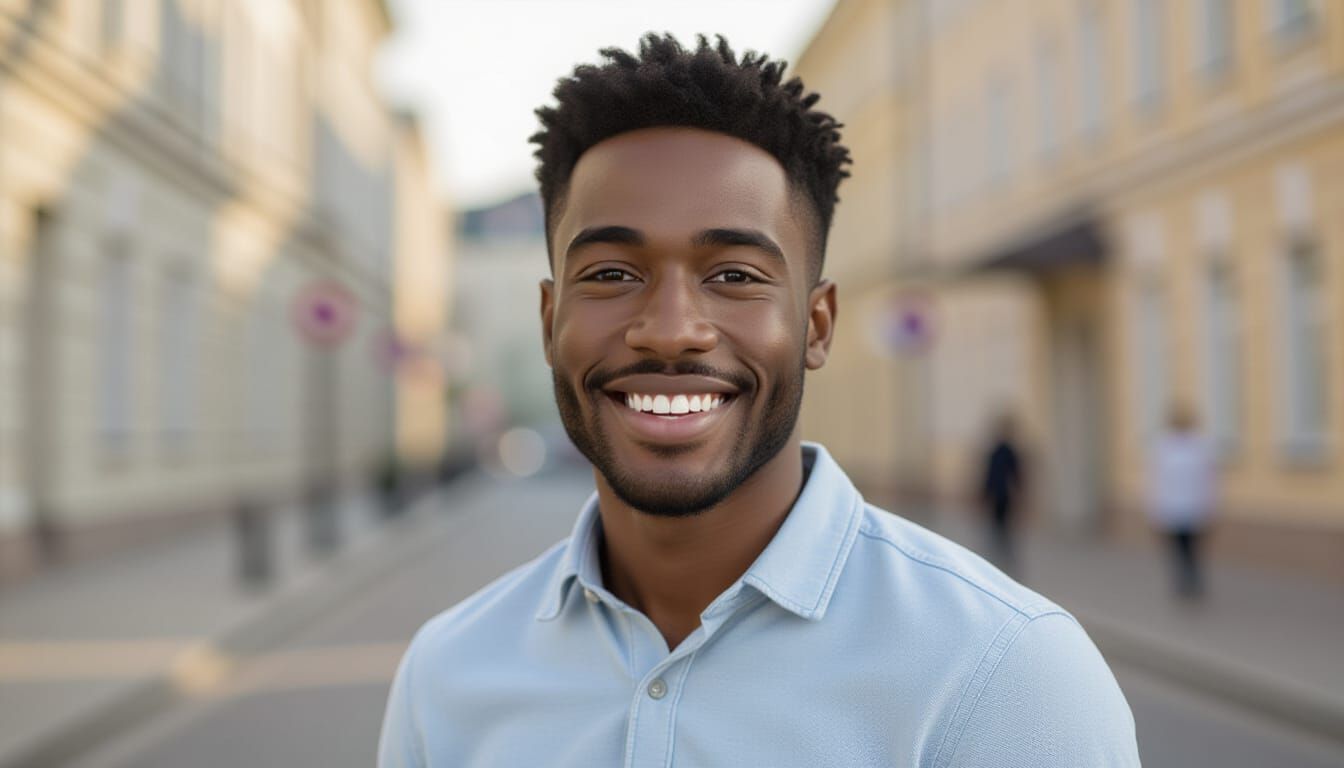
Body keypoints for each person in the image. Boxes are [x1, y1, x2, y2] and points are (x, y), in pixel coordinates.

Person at [379, 34, 1138, 767]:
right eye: (611, 274)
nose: (670, 331)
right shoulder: (446, 676)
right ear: (550, 322)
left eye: (735, 276)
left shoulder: (1003, 676)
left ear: (816, 324)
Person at [1149, 404, 1217, 599]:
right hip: (1172, 507)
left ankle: (1193, 580)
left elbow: (1208, 479)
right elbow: (1158, 480)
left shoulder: (1200, 446)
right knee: (1178, 548)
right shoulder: (1164, 447)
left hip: (1195, 507)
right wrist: (1155, 508)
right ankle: (1182, 581)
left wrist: (1210, 506)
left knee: (1193, 548)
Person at [980, 412, 1025, 574]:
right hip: (997, 495)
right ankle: (997, 559)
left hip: (1004, 496)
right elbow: (989, 475)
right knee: (996, 528)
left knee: (1003, 529)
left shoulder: (1008, 451)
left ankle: (1006, 559)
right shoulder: (996, 450)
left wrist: (1020, 495)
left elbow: (1016, 475)